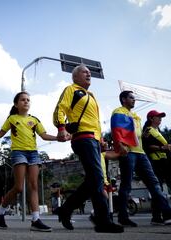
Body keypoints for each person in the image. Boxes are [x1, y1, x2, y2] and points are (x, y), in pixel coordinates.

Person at [53, 64, 124, 233]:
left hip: (93, 140)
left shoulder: (90, 95)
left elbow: (94, 121)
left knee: (94, 180)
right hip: (82, 138)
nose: (88, 74)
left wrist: (101, 139)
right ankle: (103, 221)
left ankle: (66, 209)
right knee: (97, 178)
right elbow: (59, 109)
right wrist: (61, 128)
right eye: (85, 72)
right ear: (75, 77)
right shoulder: (72, 89)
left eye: (89, 72)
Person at [0, 91, 58, 232]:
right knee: (19, 187)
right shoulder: (12, 118)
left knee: (34, 185)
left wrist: (59, 138)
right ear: (16, 104)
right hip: (18, 153)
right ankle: (0, 211)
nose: (26, 102)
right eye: (23, 100)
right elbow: (0, 134)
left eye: (28, 99)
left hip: (33, 154)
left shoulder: (34, 120)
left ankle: (35, 220)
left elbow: (44, 135)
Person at [110, 90, 171, 227]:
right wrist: (120, 144)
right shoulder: (119, 111)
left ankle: (167, 214)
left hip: (140, 153)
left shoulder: (135, 116)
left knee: (154, 183)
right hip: (128, 152)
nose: (134, 100)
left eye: (134, 98)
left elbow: (136, 134)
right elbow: (117, 129)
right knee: (126, 185)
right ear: (123, 99)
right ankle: (123, 217)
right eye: (131, 98)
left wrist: (144, 136)